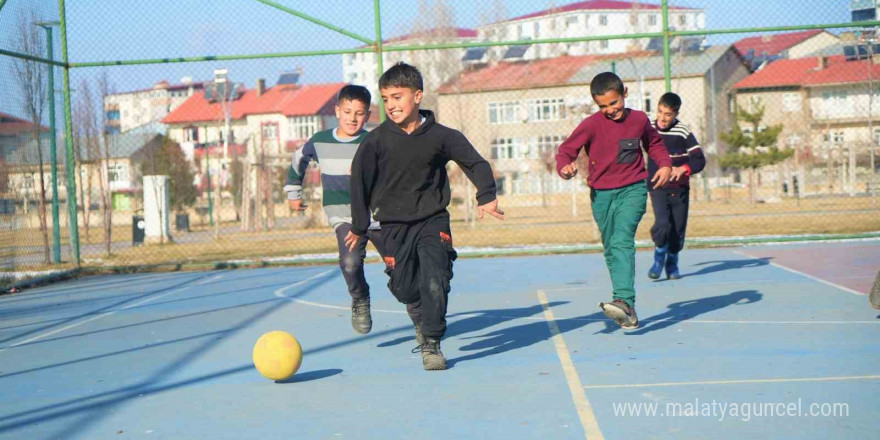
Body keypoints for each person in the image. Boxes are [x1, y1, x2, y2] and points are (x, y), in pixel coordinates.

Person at [348, 62, 504, 370]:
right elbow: (359, 183)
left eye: (397, 96)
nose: (391, 105)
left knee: (435, 277)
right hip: (393, 226)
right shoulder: (376, 141)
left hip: (433, 220)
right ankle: (420, 313)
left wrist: (486, 195)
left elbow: (475, 163)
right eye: (386, 98)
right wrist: (360, 226)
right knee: (405, 288)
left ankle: (431, 343)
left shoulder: (442, 136)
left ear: (417, 96)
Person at [555, 72, 672, 330]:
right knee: (611, 247)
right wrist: (564, 166)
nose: (610, 110)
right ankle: (627, 313)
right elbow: (566, 151)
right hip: (601, 194)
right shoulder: (591, 124)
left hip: (633, 189)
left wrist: (664, 165)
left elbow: (654, 145)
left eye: (614, 103)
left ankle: (624, 300)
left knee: (621, 240)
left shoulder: (640, 120)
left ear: (625, 94)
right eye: (603, 106)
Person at [283, 84, 382, 335]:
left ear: (368, 116)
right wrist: (294, 193)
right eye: (347, 111)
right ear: (338, 111)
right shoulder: (321, 141)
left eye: (359, 113)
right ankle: (360, 299)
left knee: (401, 268)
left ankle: (421, 314)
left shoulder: (375, 140)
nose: (352, 118)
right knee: (350, 263)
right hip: (343, 213)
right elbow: (298, 161)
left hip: (379, 214)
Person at [647, 92, 706, 280]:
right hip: (657, 186)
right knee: (663, 224)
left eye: (668, 114)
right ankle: (658, 259)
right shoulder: (648, 128)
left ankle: (672, 263)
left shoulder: (683, 132)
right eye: (660, 112)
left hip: (680, 189)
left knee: (678, 230)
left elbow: (700, 159)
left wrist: (684, 169)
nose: (662, 118)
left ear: (676, 114)